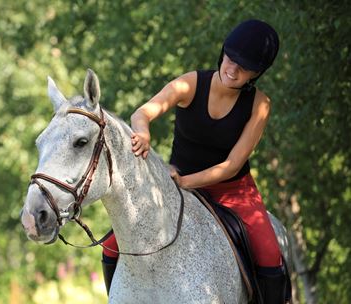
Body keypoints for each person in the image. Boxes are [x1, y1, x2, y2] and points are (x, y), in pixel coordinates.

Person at [101, 19, 289, 303]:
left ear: (257, 73)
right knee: (111, 244)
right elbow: (143, 112)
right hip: (175, 183)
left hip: (233, 191)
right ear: (223, 53)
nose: (232, 69)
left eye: (244, 66)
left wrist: (186, 182)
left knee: (269, 251)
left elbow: (232, 165)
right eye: (230, 58)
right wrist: (143, 131)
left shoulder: (260, 105)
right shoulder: (190, 83)